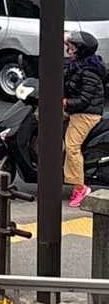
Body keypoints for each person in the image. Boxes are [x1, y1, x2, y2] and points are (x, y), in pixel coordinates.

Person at [63, 29, 104, 209]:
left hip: (86, 113)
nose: (69, 50)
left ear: (81, 50)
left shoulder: (89, 71)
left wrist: (65, 102)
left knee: (72, 146)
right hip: (74, 109)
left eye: (72, 47)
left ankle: (80, 187)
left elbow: (84, 100)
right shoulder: (76, 64)